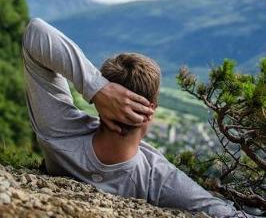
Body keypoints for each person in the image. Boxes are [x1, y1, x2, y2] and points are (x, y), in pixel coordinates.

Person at [22, 18, 253, 218]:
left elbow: (36, 32)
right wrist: (99, 88)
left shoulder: (59, 130)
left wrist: (96, 88)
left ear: (106, 103)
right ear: (150, 110)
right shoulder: (159, 179)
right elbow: (225, 213)